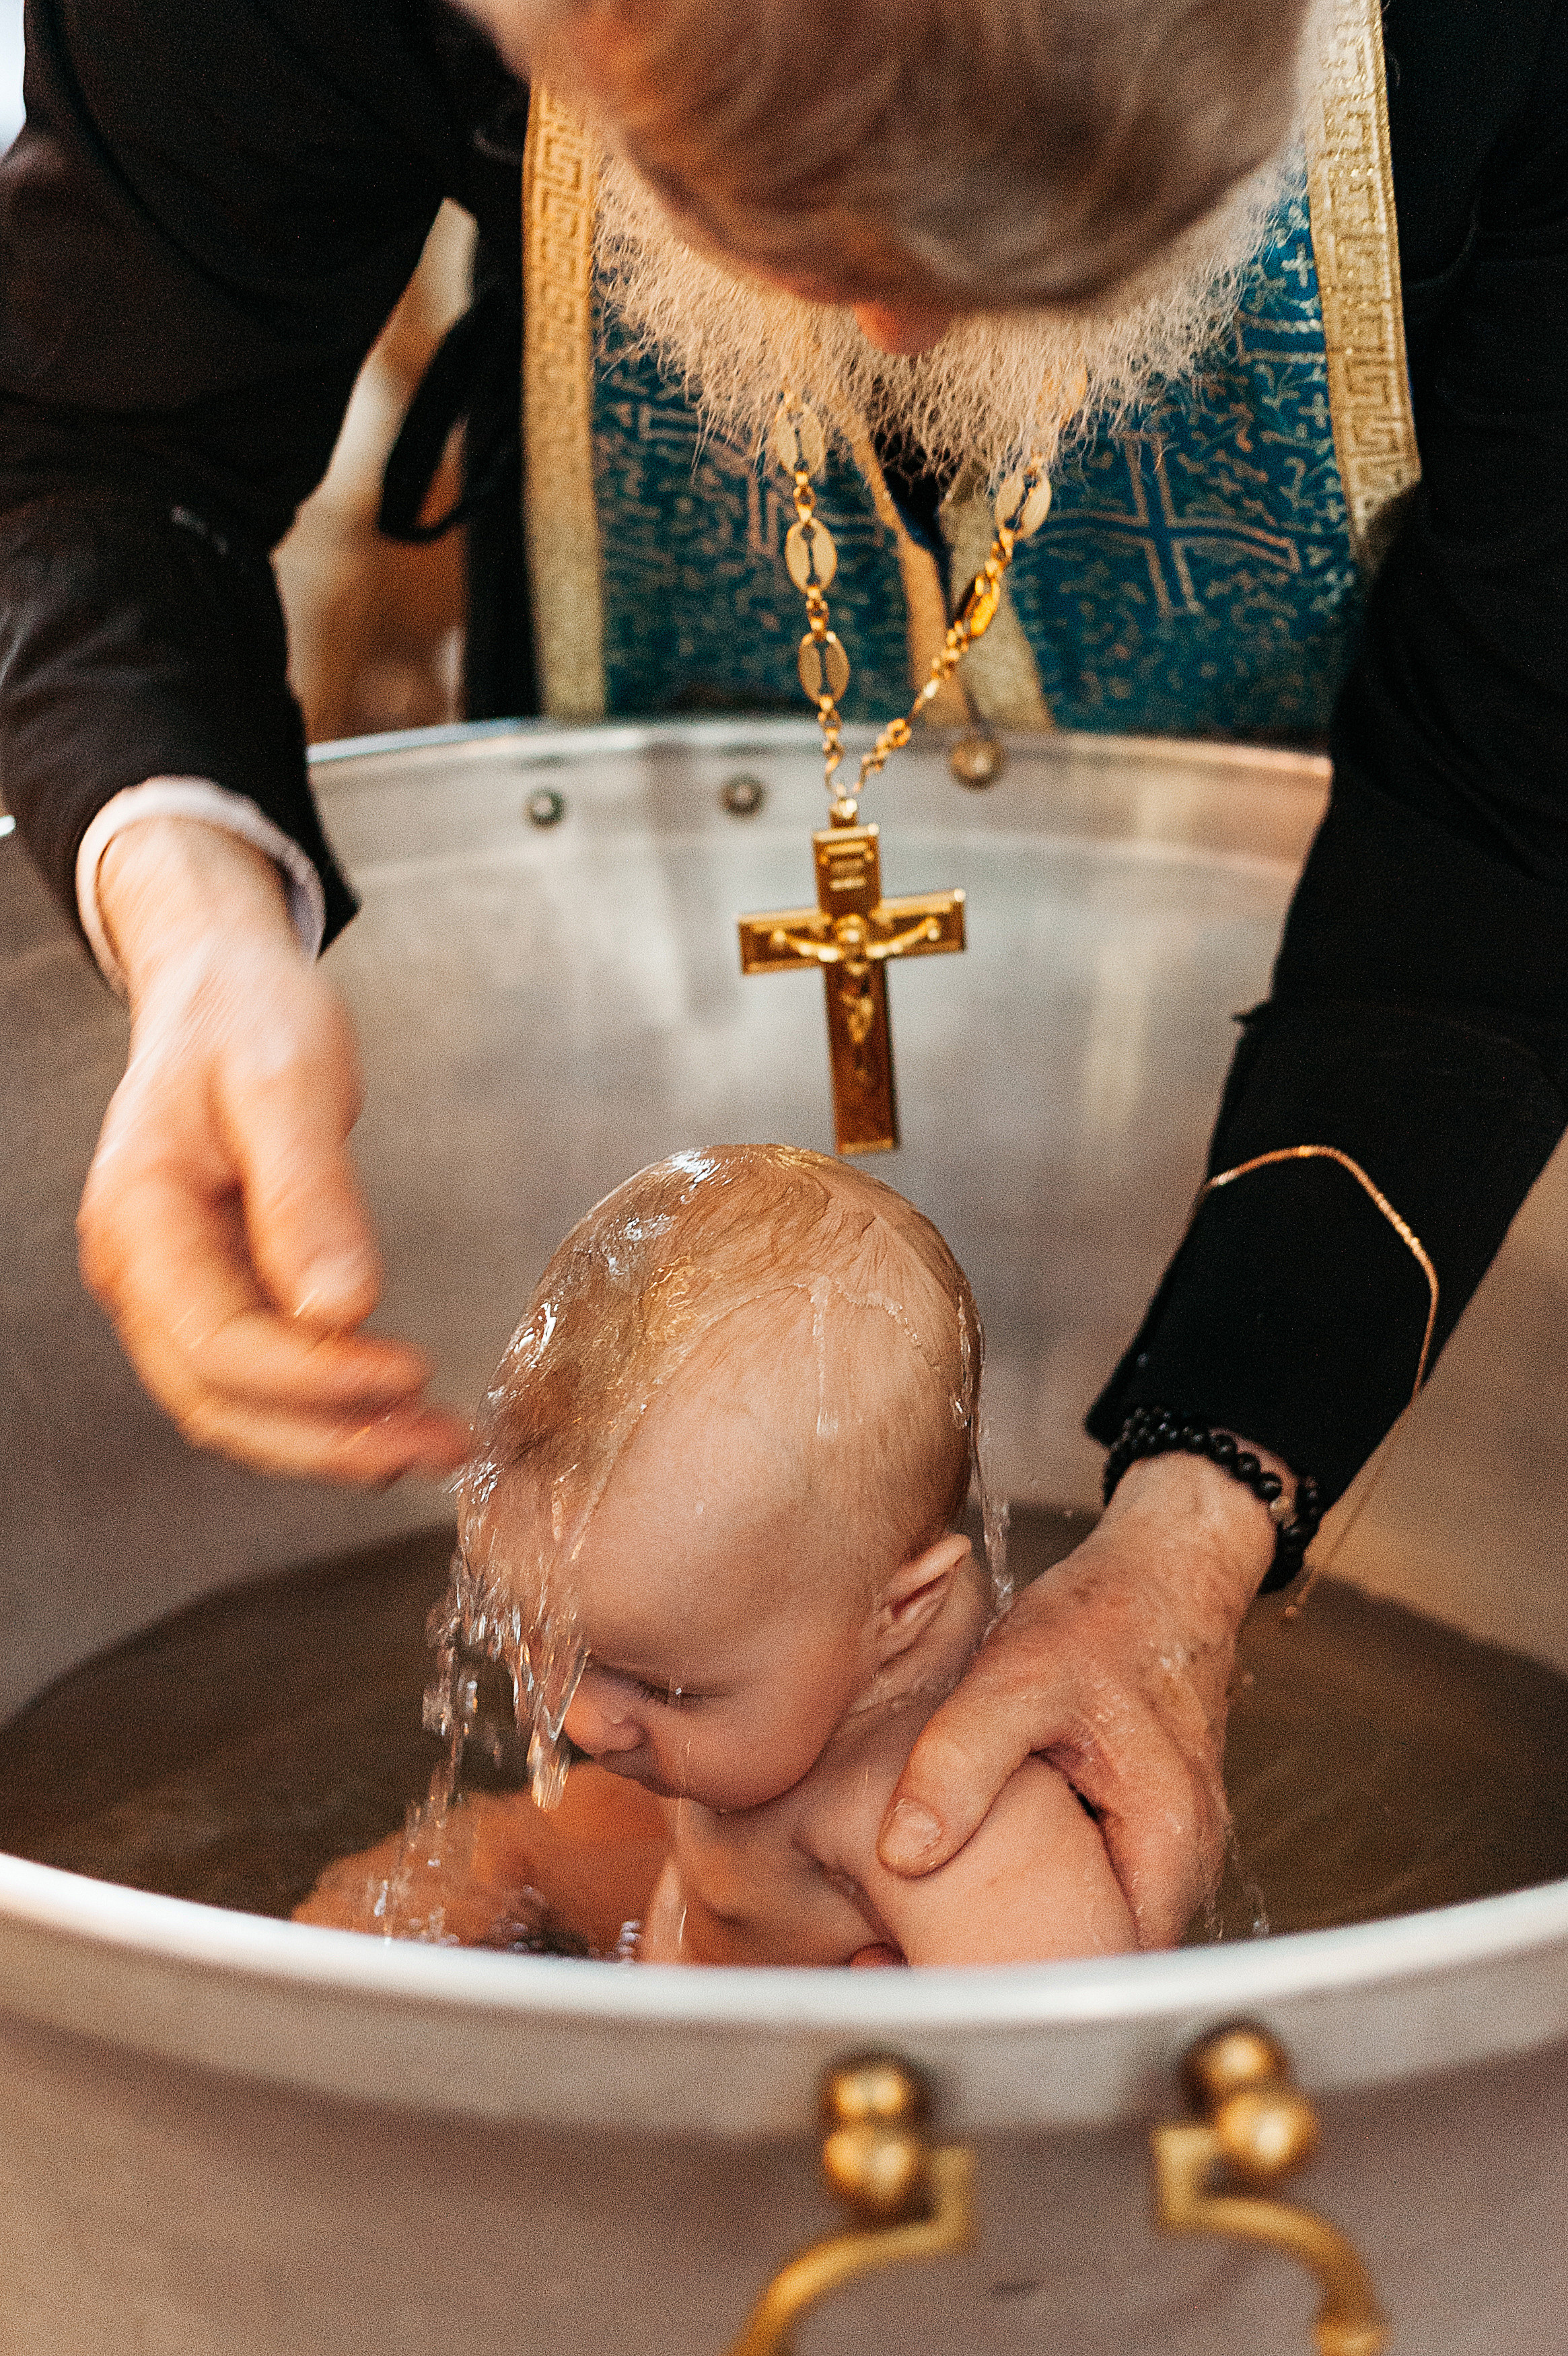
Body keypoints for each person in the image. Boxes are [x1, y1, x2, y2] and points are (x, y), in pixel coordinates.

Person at [3, 0, 1564, 1952]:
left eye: (1047, 228)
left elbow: (1512, 809)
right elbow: (95, 428)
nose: (900, 339)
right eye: (786, 220)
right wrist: (194, 908)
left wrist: (1192, 1535)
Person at [301, 1145, 1137, 1966]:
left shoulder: (945, 1822)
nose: (577, 1722)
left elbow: (1060, 2061)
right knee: (473, 1861)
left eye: (668, 1688)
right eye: (547, 1640)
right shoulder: (748, 1674)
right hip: (680, 1977)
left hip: (780, 2094)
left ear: (898, 1614)